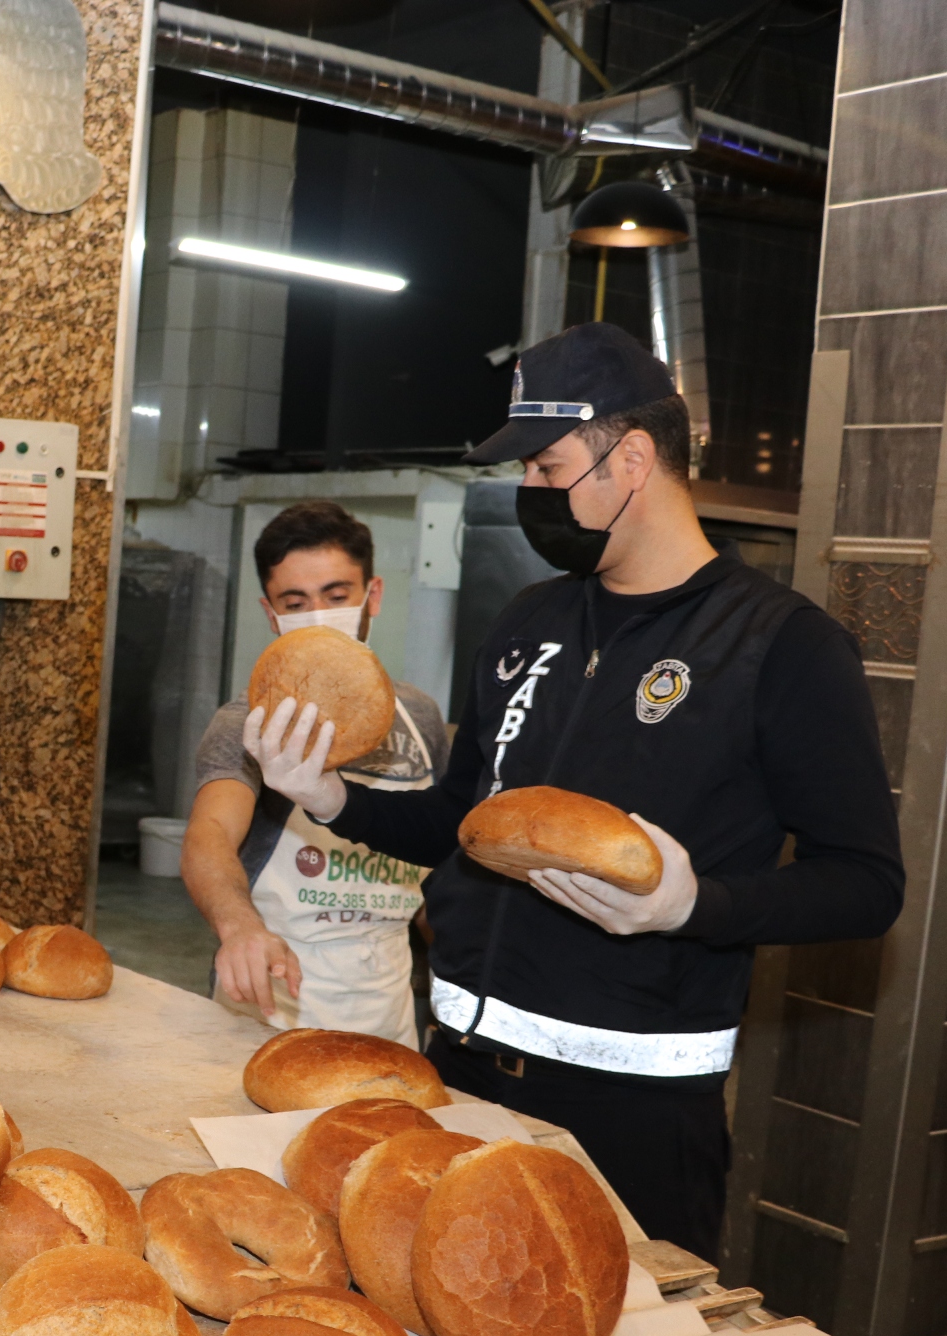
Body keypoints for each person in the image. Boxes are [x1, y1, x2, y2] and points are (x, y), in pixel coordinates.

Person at [243, 322, 904, 1261]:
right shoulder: (529, 620)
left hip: (631, 1118)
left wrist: (696, 906)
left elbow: (867, 883)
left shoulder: (779, 646)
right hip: (462, 1079)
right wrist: (332, 796)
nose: (530, 495)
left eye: (548, 469)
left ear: (632, 459)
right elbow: (460, 824)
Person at [182, 503, 450, 1046]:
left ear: (372, 596)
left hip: (390, 1013)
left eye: (336, 595)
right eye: (296, 602)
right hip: (273, 1006)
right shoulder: (247, 725)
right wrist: (240, 929)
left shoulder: (420, 717)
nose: (319, 614)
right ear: (271, 612)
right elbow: (208, 836)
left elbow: (437, 851)